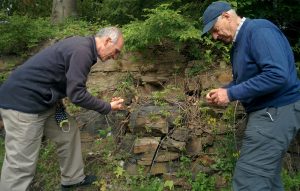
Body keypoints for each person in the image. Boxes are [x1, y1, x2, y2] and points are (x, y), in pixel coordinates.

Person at [0, 26, 125, 190]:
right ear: (108, 40)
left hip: (43, 103)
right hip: (23, 104)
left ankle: (73, 179)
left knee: (68, 132)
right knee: (21, 165)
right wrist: (107, 106)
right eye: (116, 51)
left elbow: (59, 80)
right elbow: (77, 95)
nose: (115, 57)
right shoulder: (83, 51)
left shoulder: (83, 47)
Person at [202, 1, 300, 190]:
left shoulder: (259, 30)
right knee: (268, 182)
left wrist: (230, 93)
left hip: (275, 111)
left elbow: (277, 75)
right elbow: (249, 80)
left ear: (226, 16)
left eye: (214, 29)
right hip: (271, 113)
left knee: (248, 182)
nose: (214, 37)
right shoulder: (239, 43)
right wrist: (223, 91)